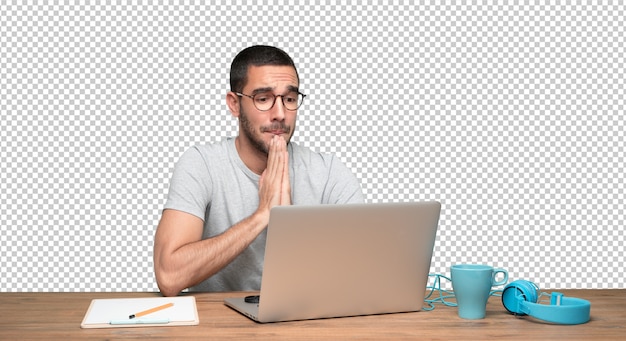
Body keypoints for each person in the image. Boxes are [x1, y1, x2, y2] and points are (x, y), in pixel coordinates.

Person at [153, 45, 364, 296]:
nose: (280, 114)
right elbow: (169, 276)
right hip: (219, 326)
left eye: (289, 99)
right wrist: (262, 215)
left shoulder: (329, 172)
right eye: (263, 99)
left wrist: (289, 227)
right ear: (234, 104)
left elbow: (364, 270)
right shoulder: (201, 164)